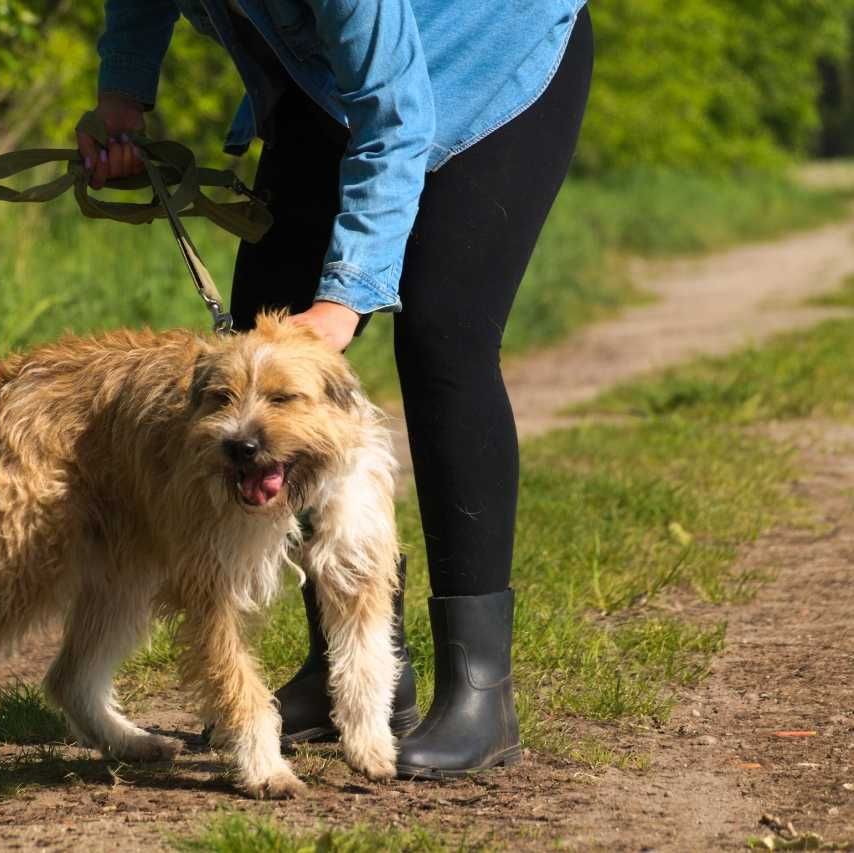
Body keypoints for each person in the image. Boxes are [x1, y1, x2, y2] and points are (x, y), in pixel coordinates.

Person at [79, 0, 592, 778]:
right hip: (319, 89)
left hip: (486, 62)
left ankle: (480, 693)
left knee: (442, 334)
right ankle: (346, 670)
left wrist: (346, 296)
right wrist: (122, 97)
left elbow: (394, 114)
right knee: (262, 336)